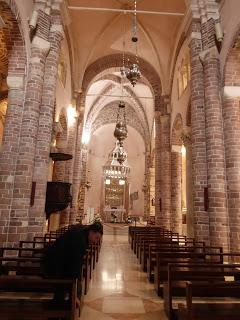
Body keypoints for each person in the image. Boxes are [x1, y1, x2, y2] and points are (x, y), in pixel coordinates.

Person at [42, 222, 103, 307]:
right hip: (53, 266)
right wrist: (74, 295)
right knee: (65, 287)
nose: (96, 242)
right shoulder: (80, 240)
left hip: (58, 264)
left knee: (69, 287)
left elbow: (74, 264)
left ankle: (61, 308)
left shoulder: (81, 234)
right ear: (91, 232)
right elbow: (75, 266)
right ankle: (60, 310)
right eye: (96, 238)